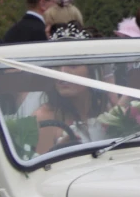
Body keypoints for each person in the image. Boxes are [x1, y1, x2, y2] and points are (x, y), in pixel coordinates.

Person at [32, 23, 107, 154]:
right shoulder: (44, 118)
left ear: (90, 70)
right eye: (56, 65)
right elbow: (40, 171)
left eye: (72, 65)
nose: (62, 73)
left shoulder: (105, 110)